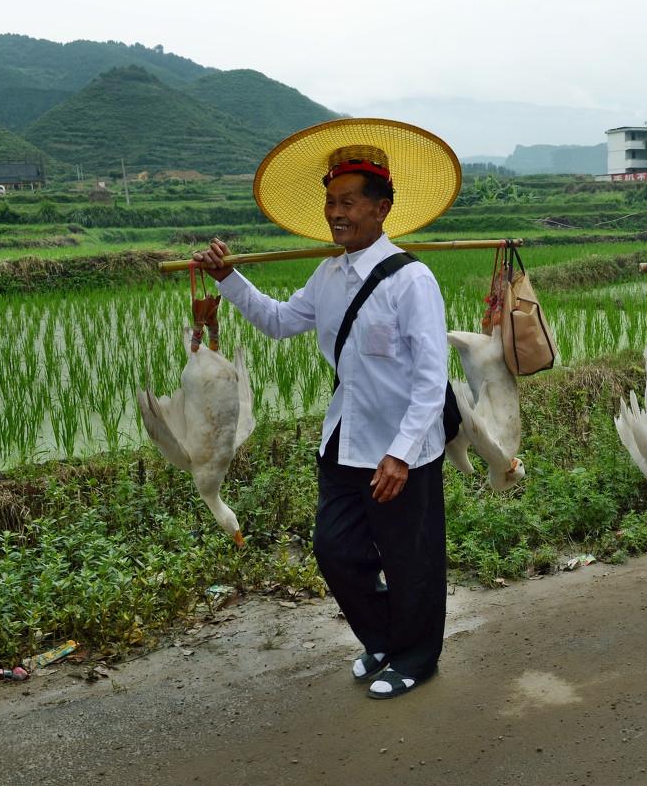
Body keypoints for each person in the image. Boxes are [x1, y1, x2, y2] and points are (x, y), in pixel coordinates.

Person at [193, 119, 462, 697]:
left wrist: (401, 454)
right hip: (345, 439)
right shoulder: (328, 274)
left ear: (382, 208)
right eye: (330, 202)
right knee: (335, 549)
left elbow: (429, 378)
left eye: (348, 203)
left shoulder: (412, 281)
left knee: (410, 557)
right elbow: (278, 321)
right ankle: (384, 638)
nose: (336, 214)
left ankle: (416, 658)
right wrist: (228, 278)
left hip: (403, 448)